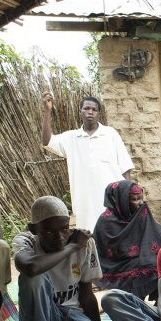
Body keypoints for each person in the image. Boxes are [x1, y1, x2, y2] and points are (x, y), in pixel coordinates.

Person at [13, 196, 114, 321]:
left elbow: (86, 295)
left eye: (64, 229)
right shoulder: (26, 241)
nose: (60, 237)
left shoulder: (84, 242)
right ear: (33, 229)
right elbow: (30, 267)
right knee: (33, 278)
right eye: (50, 231)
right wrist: (72, 247)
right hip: (40, 319)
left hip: (73, 317)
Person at [41, 93, 134, 230]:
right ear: (80, 112)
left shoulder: (110, 134)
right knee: (90, 237)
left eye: (94, 109)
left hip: (112, 200)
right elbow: (47, 141)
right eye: (86, 108)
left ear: (99, 113)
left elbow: (125, 167)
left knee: (115, 233)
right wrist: (48, 110)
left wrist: (127, 196)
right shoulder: (72, 138)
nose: (90, 112)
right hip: (85, 203)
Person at [92, 180, 161, 300]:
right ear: (121, 201)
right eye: (135, 199)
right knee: (145, 266)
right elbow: (118, 250)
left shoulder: (140, 213)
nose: (141, 203)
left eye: (141, 198)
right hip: (117, 264)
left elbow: (154, 233)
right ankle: (136, 304)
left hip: (139, 257)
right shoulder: (106, 221)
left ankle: (159, 302)